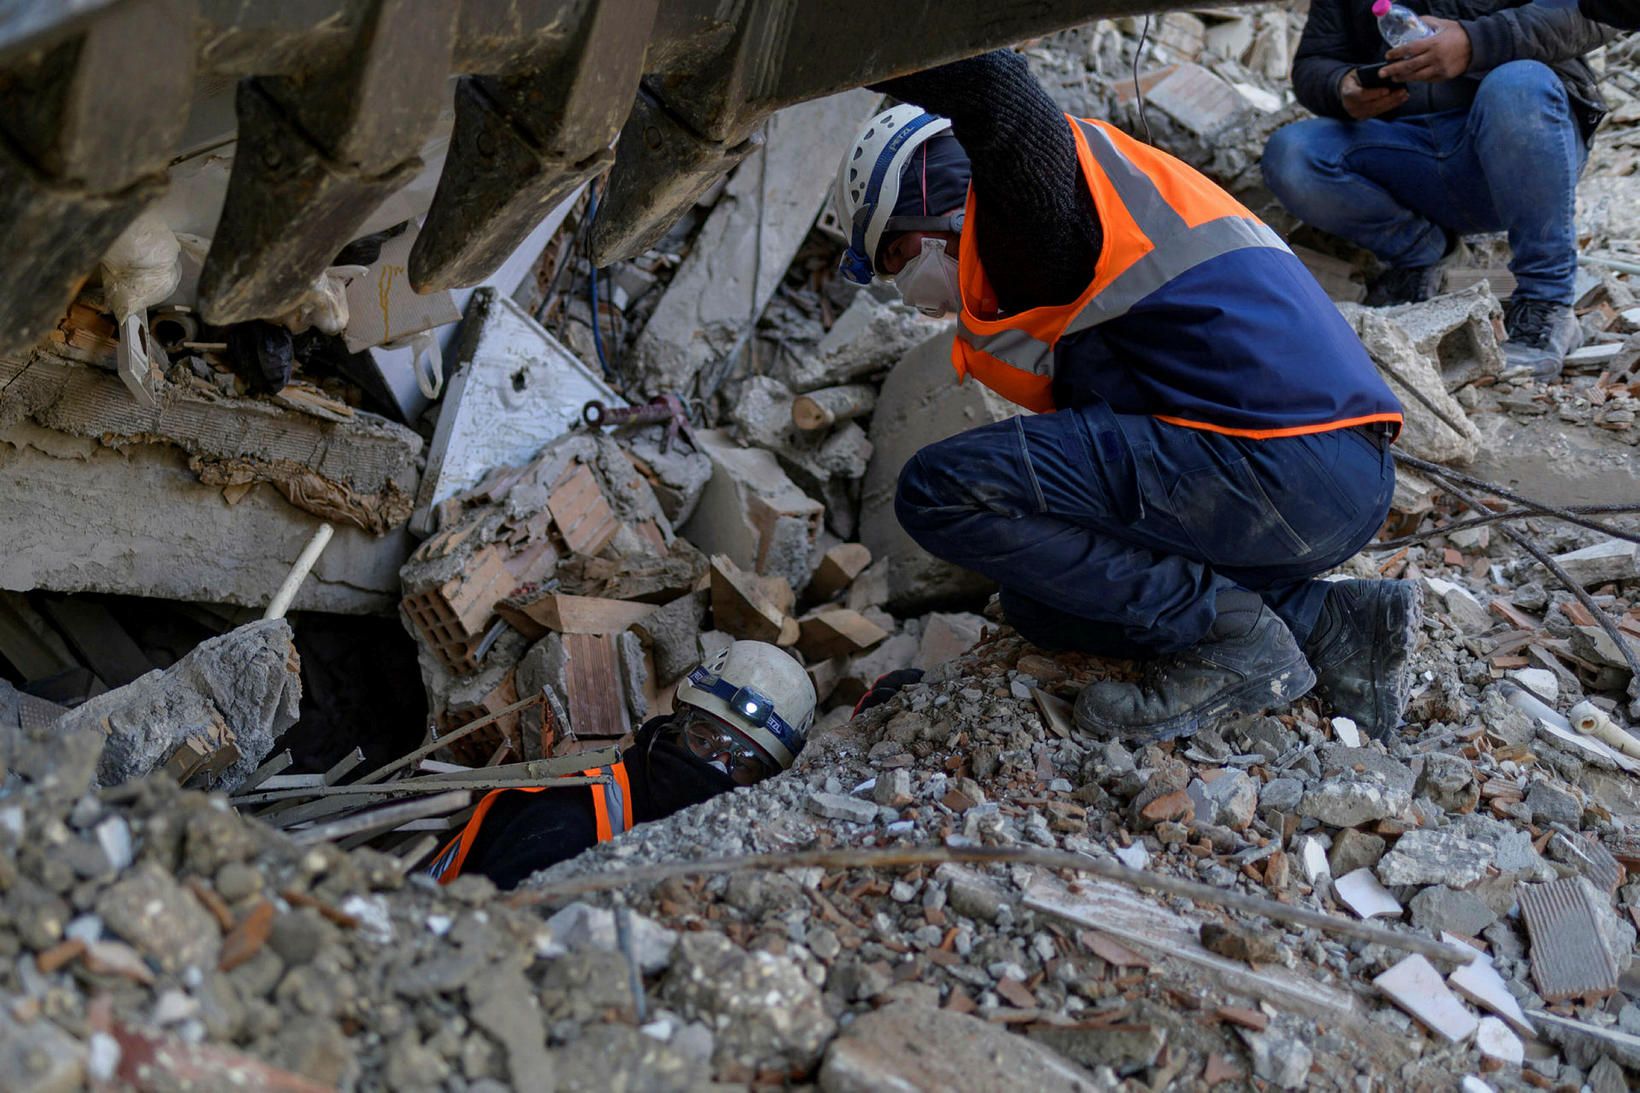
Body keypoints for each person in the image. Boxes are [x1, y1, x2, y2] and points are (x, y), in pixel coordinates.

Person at [833, 50, 1420, 744]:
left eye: (898, 256)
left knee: (940, 489)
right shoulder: (1073, 241)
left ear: (931, 195)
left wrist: (832, 51)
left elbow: (996, 88)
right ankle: (1334, 623)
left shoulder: (1027, 217)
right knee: (1042, 600)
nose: (907, 286)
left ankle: (1229, 639)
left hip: (1285, 464)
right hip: (1318, 473)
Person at [1261, 0, 1610, 379]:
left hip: (1521, 146)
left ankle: (1547, 305)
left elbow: (1597, 13)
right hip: (1404, 148)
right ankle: (1425, 256)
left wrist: (1475, 43)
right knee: (1293, 154)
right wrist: (1340, 86)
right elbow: (1315, 61)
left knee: (1517, 84)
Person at [426, 641, 816, 889]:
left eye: (743, 763)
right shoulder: (565, 820)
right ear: (676, 724)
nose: (716, 766)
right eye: (705, 739)